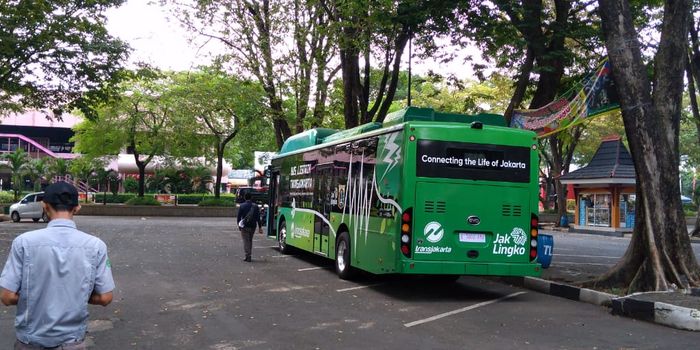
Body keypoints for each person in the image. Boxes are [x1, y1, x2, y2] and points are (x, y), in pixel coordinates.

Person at [0, 182, 115, 350]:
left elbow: (7, 297)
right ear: (77, 208)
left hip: (30, 341)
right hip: (72, 342)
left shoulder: (24, 243)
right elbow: (105, 298)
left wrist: (39, 296)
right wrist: (74, 296)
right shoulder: (96, 246)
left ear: (44, 206)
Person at [237, 192, 263, 262]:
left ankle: (248, 255)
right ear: (251, 198)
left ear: (245, 198)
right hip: (253, 226)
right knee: (250, 240)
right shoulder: (255, 206)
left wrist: (239, 225)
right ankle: (249, 254)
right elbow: (258, 217)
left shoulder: (242, 206)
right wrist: (260, 227)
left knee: (246, 241)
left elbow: (239, 217)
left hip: (245, 226)